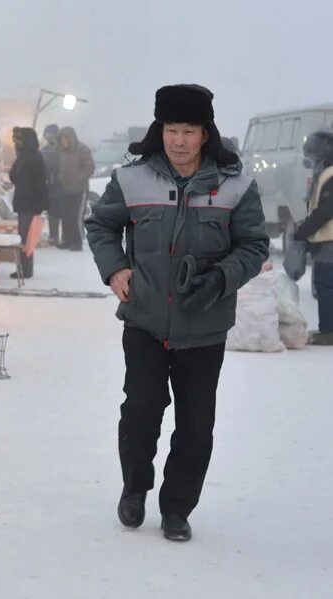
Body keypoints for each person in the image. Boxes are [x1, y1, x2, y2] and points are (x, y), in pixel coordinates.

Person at [84, 84, 269, 542]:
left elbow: (254, 246)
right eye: (171, 130)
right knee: (141, 411)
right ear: (159, 130)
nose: (179, 140)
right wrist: (115, 270)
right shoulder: (132, 179)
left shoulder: (236, 185)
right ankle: (134, 488)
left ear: (205, 133)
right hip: (145, 319)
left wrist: (222, 277)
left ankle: (177, 509)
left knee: (195, 422)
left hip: (205, 326)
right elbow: (101, 226)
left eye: (188, 130)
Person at [294, 129, 333, 345]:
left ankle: (328, 331)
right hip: (326, 237)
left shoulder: (330, 173)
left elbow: (326, 209)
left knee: (326, 285)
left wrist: (304, 231)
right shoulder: (326, 171)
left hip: (329, 240)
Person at [8, 127, 49, 278]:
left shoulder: (31, 158)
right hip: (28, 203)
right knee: (25, 236)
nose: (17, 142)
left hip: (29, 203)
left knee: (26, 237)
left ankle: (25, 269)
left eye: (19, 139)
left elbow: (17, 176)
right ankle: (23, 268)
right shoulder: (29, 156)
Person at [57, 127, 95, 251]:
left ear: (70, 139)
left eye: (65, 139)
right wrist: (60, 176)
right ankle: (67, 240)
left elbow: (89, 166)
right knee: (65, 215)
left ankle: (77, 241)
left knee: (76, 216)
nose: (63, 142)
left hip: (79, 189)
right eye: (61, 139)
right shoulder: (62, 152)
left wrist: (80, 178)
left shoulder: (82, 150)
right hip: (65, 188)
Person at [41, 124, 62, 245]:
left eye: (51, 135)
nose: (49, 138)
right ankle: (53, 236)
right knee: (52, 212)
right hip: (49, 186)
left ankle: (66, 237)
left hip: (62, 185)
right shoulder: (44, 151)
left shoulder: (63, 150)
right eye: (47, 136)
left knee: (64, 213)